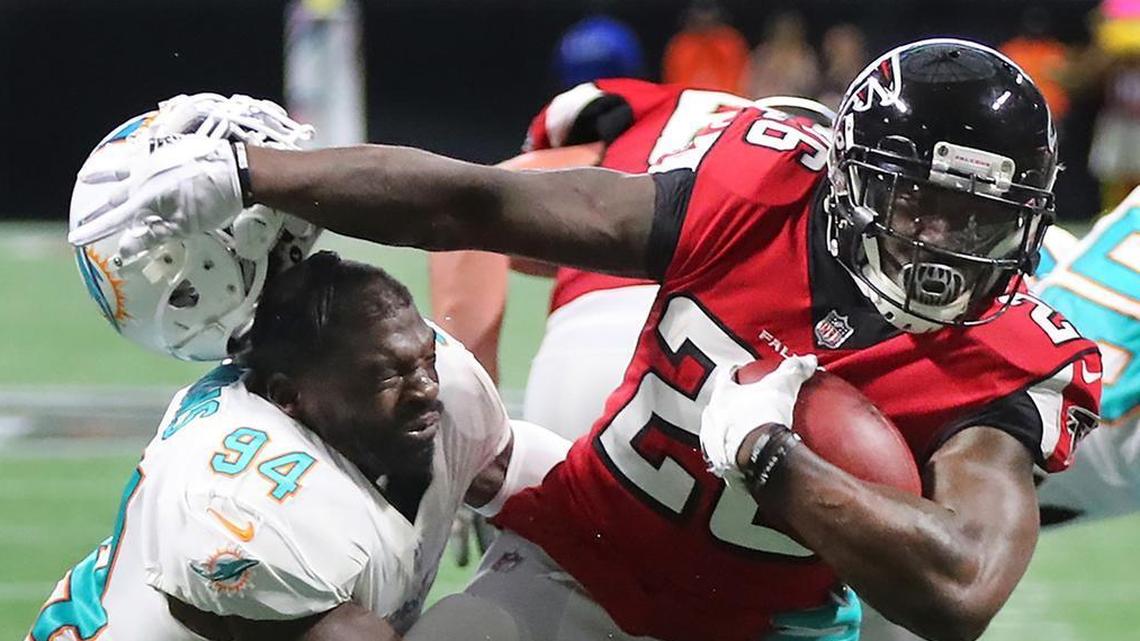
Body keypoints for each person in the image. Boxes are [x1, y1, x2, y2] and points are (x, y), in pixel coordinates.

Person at [68, 39, 1102, 641]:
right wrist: (253, 174)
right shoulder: (757, 186)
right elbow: (473, 204)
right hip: (575, 568)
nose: (946, 246)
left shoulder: (1009, 353)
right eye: (920, 206)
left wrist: (769, 457)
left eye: (981, 217)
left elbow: (963, 588)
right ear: (850, 175)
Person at [31, 107, 572, 641]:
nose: (425, 387)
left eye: (421, 363)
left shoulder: (424, 363)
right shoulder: (235, 497)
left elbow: (577, 502)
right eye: (219, 184)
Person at [661, 0, 751, 94]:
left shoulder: (731, 42)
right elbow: (673, 79)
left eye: (710, 22)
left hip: (727, 100)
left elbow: (740, 77)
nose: (705, 27)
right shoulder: (681, 44)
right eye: (699, 22)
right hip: (689, 101)